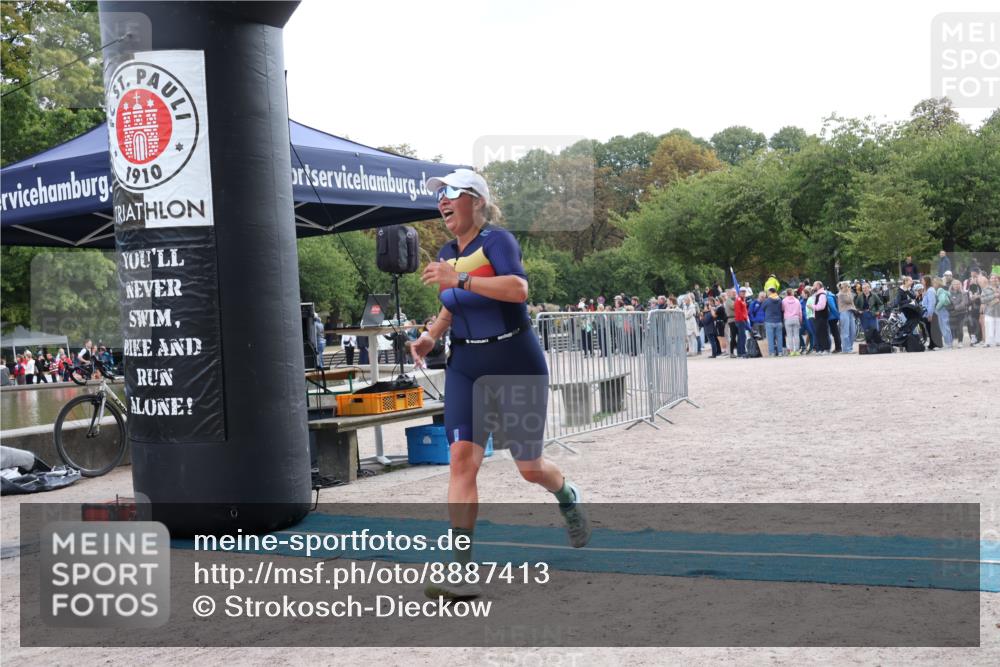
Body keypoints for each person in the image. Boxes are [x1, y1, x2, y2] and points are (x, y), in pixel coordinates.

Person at [411, 169, 590, 600]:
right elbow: (453, 305)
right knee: (460, 462)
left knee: (529, 468)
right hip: (466, 364)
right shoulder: (445, 251)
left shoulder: (498, 241)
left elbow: (517, 289)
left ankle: (566, 494)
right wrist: (431, 335)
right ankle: (462, 569)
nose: (443, 202)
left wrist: (462, 280)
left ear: (477, 201)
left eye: (452, 193)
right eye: (440, 196)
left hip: (514, 359)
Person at [761, 287, 784, 356]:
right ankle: (780, 352)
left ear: (770, 292)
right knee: (779, 337)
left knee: (770, 338)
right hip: (779, 321)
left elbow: (762, 308)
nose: (767, 293)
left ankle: (772, 353)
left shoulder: (767, 300)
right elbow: (782, 309)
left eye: (768, 292)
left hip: (769, 321)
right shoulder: (780, 300)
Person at [837, 282, 858, 353]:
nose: (850, 288)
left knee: (853, 331)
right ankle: (846, 349)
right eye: (848, 287)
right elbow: (849, 300)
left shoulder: (848, 294)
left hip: (851, 312)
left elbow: (852, 302)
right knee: (845, 331)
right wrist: (850, 293)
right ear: (845, 287)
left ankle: (850, 347)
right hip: (844, 312)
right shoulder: (841, 294)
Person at [947, 279, 968, 348]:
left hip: (961, 313)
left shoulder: (963, 293)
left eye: (958, 284)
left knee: (960, 327)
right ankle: (951, 341)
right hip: (952, 313)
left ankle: (960, 342)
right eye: (955, 284)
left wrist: (955, 307)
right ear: (952, 285)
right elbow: (948, 302)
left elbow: (964, 303)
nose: (956, 285)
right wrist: (952, 308)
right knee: (952, 327)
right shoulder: (948, 293)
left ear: (960, 285)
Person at [811, 282, 831, 354]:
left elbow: (821, 306)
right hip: (819, 316)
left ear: (818, 286)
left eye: (814, 285)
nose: (813, 287)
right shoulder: (818, 294)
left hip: (822, 317)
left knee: (823, 333)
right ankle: (822, 349)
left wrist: (812, 306)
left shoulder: (822, 295)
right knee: (819, 333)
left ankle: (826, 349)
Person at [781, 289, 802, 356]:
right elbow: (800, 311)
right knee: (796, 335)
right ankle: (797, 350)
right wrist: (800, 320)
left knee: (789, 336)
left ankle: (792, 351)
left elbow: (782, 309)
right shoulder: (797, 300)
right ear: (792, 293)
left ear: (786, 293)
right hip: (796, 318)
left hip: (787, 319)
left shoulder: (784, 301)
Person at [983, 274, 1000, 347]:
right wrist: (994, 296)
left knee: (998, 327)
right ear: (989, 280)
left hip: (999, 311)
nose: (994, 279)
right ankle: (988, 342)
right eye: (992, 278)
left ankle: (998, 341)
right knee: (989, 326)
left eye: (995, 278)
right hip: (989, 311)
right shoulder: (986, 289)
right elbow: (983, 299)